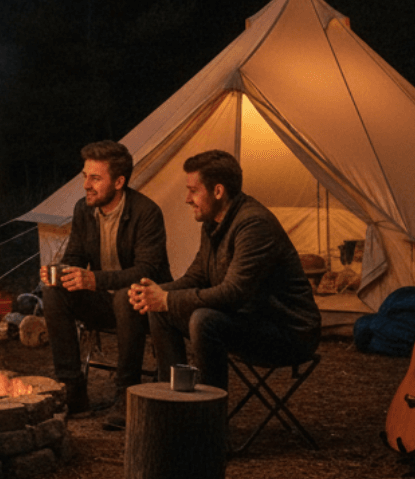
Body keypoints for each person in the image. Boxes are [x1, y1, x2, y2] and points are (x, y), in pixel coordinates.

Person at [128, 149, 321, 392]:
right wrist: (155, 294)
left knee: (203, 320)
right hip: (250, 319)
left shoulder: (253, 225)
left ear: (218, 191)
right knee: (160, 309)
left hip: (288, 331)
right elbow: (197, 277)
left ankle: (210, 417)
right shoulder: (213, 222)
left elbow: (233, 293)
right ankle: (174, 403)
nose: (187, 198)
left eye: (193, 190)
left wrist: (167, 298)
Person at [40, 140, 170, 424]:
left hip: (146, 305)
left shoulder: (146, 213)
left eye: (95, 178)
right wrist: (61, 272)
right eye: (85, 176)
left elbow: (147, 270)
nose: (86, 185)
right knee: (52, 292)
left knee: (125, 295)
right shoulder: (84, 209)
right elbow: (75, 255)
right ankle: (72, 393)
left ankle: (126, 395)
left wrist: (94, 279)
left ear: (119, 181)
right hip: (104, 302)